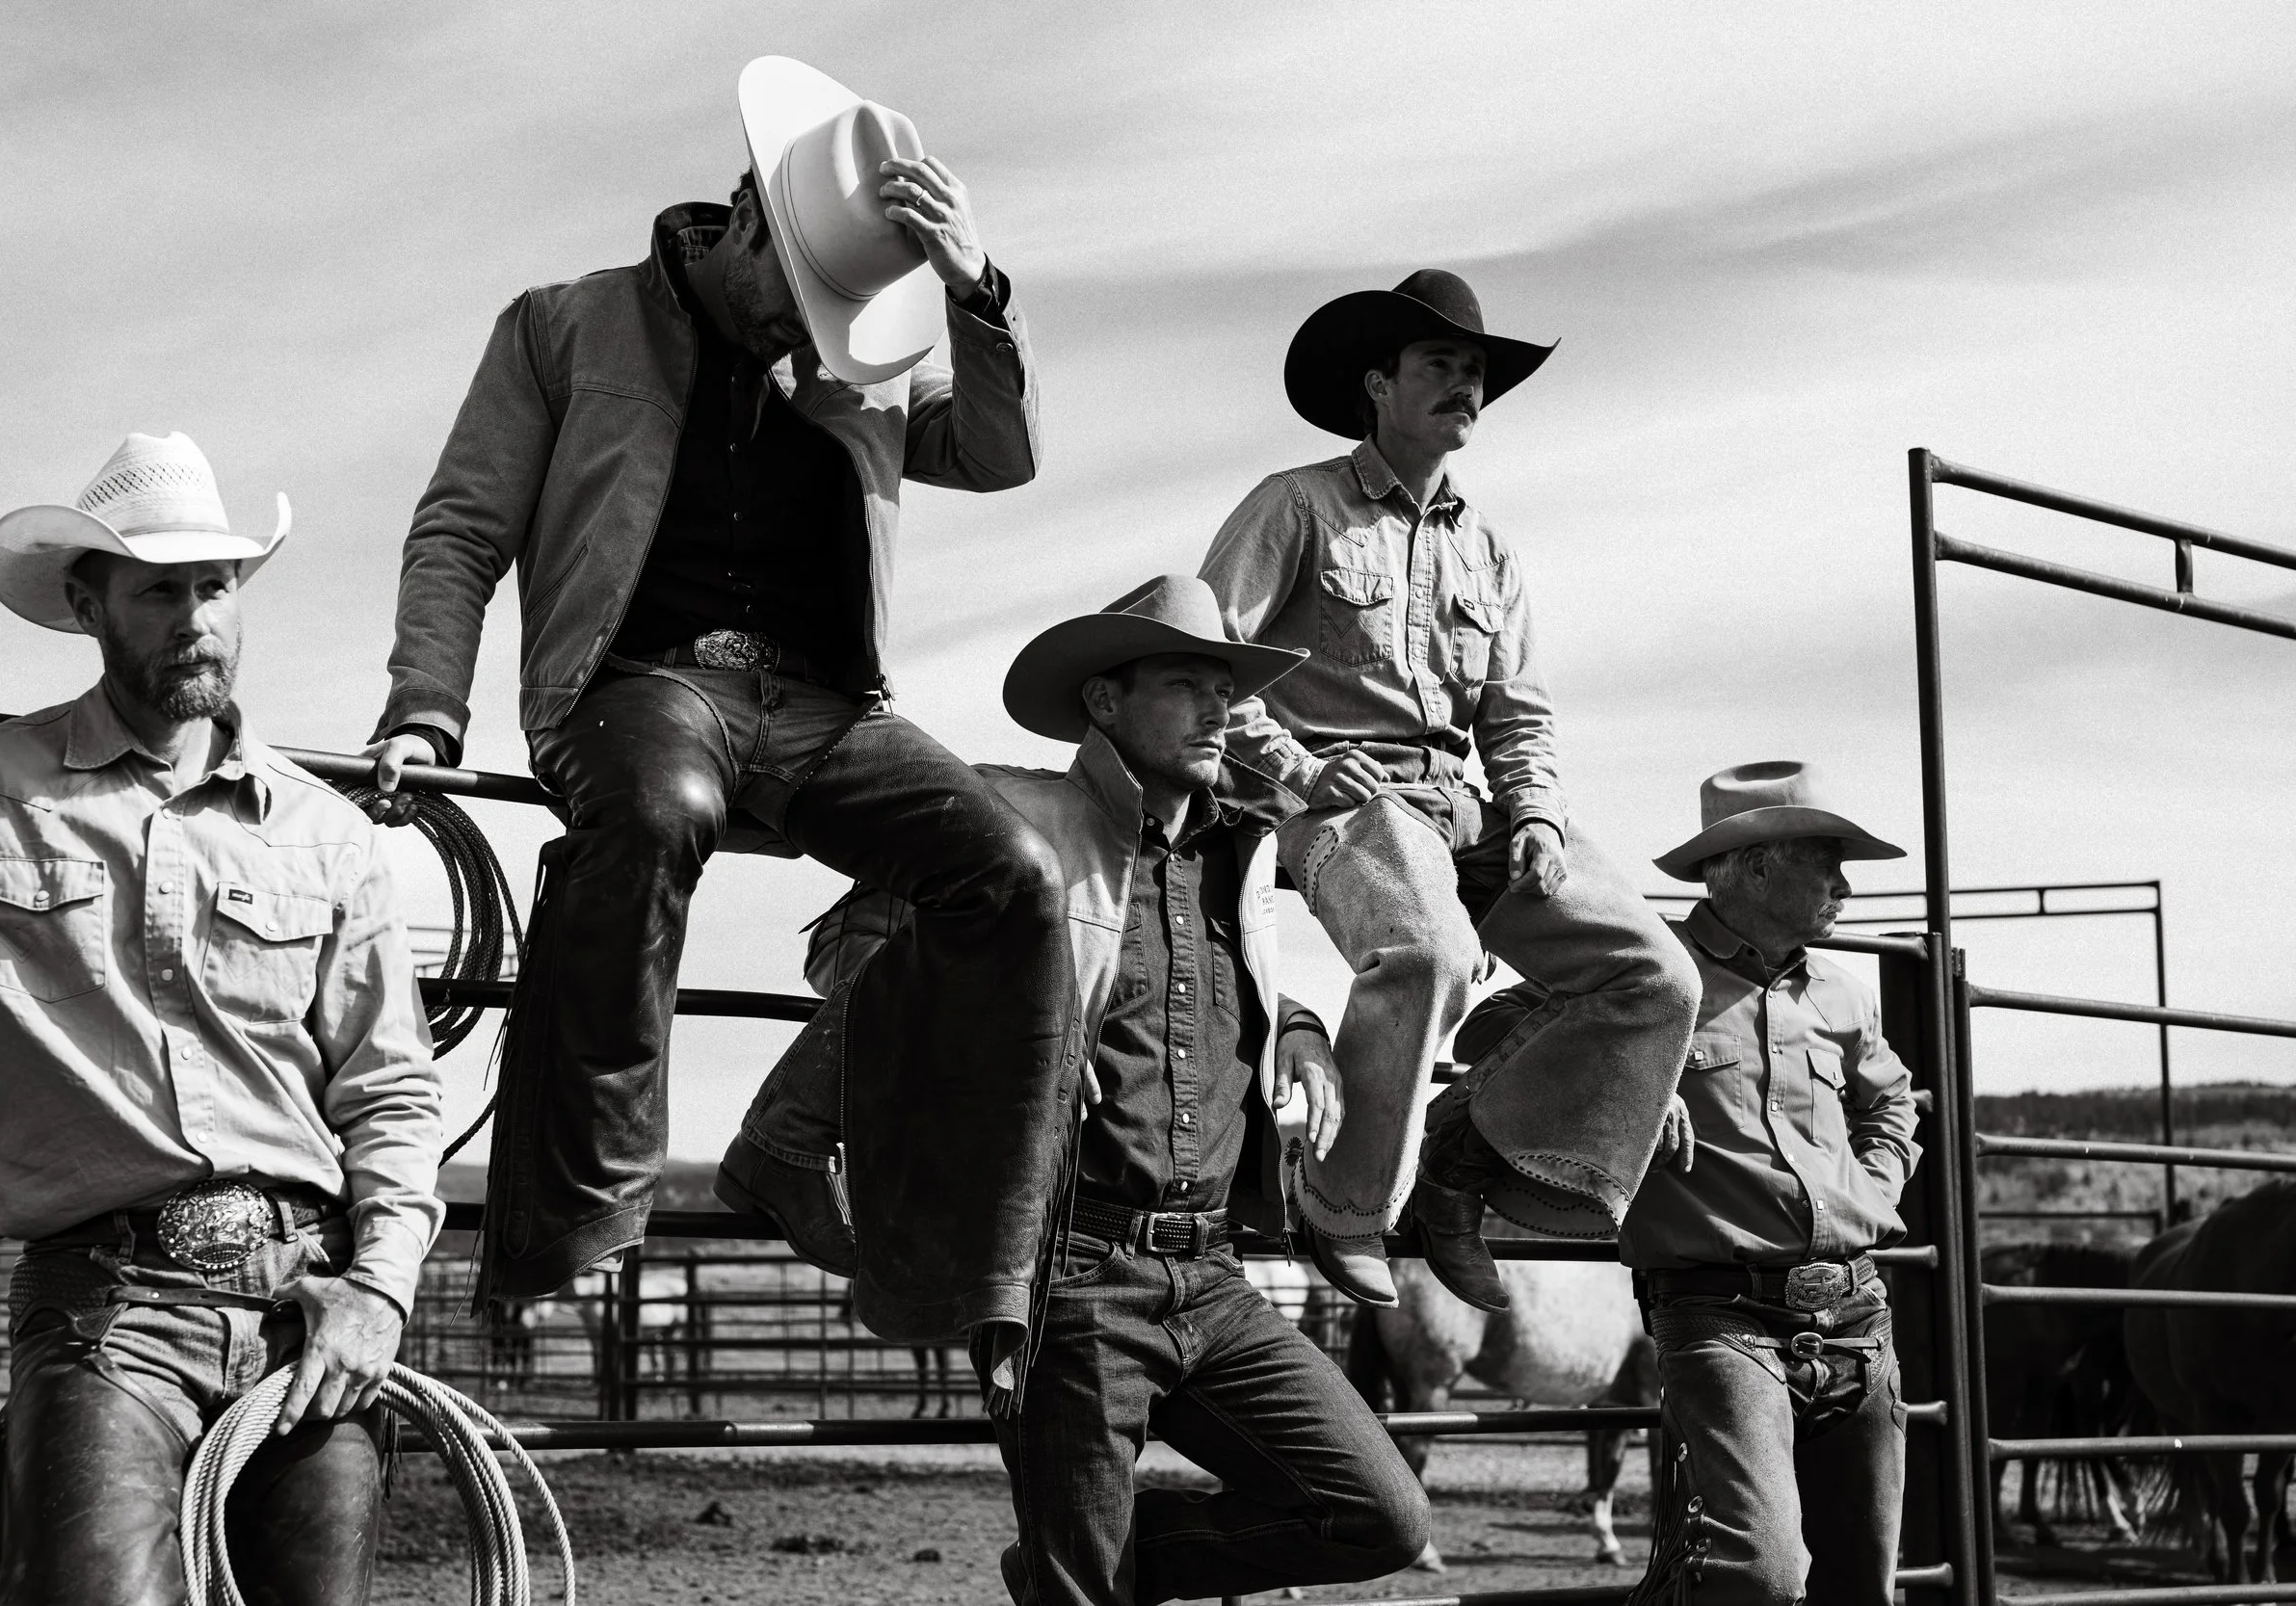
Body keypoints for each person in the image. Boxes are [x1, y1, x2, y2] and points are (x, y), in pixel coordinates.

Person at [360, 57, 1073, 1350]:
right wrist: (425, 707)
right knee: (655, 806)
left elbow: (995, 451)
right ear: (744, 220)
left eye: (835, 313)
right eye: (800, 298)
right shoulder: (564, 325)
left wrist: (979, 294)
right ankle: (583, 1214)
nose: (811, 334)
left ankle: (963, 1260)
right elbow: (460, 530)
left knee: (1014, 874)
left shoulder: (867, 353)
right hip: (638, 685)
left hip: (826, 707)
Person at [746, 575, 1430, 1603]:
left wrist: (1295, 1023)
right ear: (1105, 700)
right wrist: (983, 1031)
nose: (1217, 709)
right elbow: (850, 944)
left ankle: (1073, 1564)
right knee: (1089, 1580)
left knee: (1379, 1512)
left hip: (1213, 1272)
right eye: (1186, 683)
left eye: (1226, 689)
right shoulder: (1018, 813)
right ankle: (1077, 1566)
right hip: (1074, 1270)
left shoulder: (1239, 850)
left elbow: (1216, 990)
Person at [0, 433, 443, 1604]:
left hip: (307, 1298)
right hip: (107, 1304)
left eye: (216, 586)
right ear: (90, 605)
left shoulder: (325, 832)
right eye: (160, 591)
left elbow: (390, 1090)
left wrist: (379, 1290)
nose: (196, 618)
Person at [1198, 269, 1701, 1311]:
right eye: (1440, 363)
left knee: (1658, 974)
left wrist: (1537, 815)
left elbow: (1517, 712)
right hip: (1341, 792)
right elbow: (1205, 667)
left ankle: (1463, 1162)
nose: (1465, 385)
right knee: (1426, 952)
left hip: (1461, 800)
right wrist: (1298, 768)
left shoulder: (1489, 550)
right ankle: (1342, 1203)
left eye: (1475, 371)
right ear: (1378, 384)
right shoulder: (1296, 505)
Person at [1466, 760, 1918, 1604]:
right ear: (1758, 867)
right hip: (1720, 1314)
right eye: (1827, 863)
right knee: (1764, 1574)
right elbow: (1486, 1028)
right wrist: (1628, 1076)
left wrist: (1876, 1190)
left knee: (1862, 1585)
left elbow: (1892, 1100)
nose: (1845, 886)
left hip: (1859, 1316)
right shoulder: (1646, 967)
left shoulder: (1845, 995)